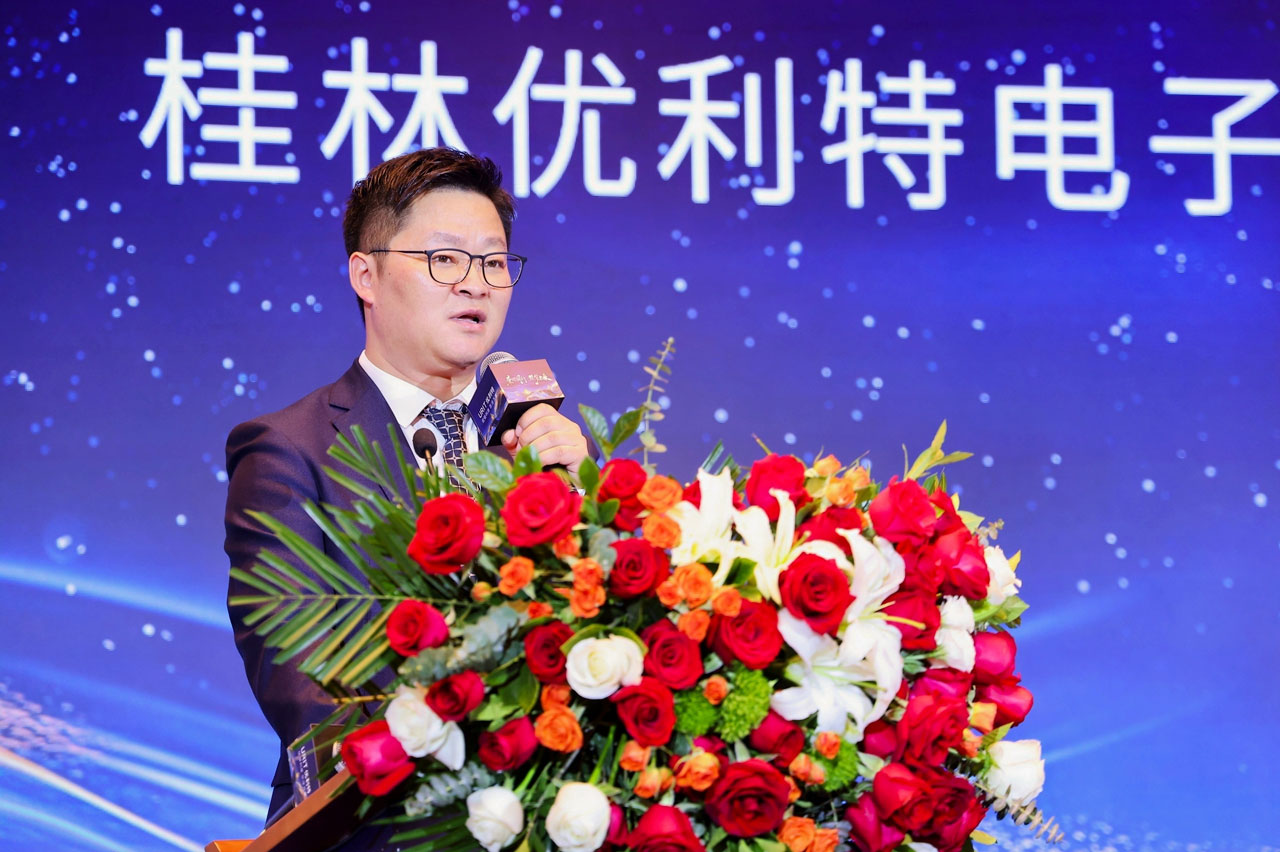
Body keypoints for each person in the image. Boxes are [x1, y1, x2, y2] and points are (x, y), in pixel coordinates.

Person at [223, 147, 590, 829]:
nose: (476, 285)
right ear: (366, 274)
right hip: (376, 824)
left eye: (494, 262)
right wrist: (461, 766)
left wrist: (581, 503)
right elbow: (296, 677)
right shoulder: (288, 450)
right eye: (444, 259)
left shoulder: (540, 443)